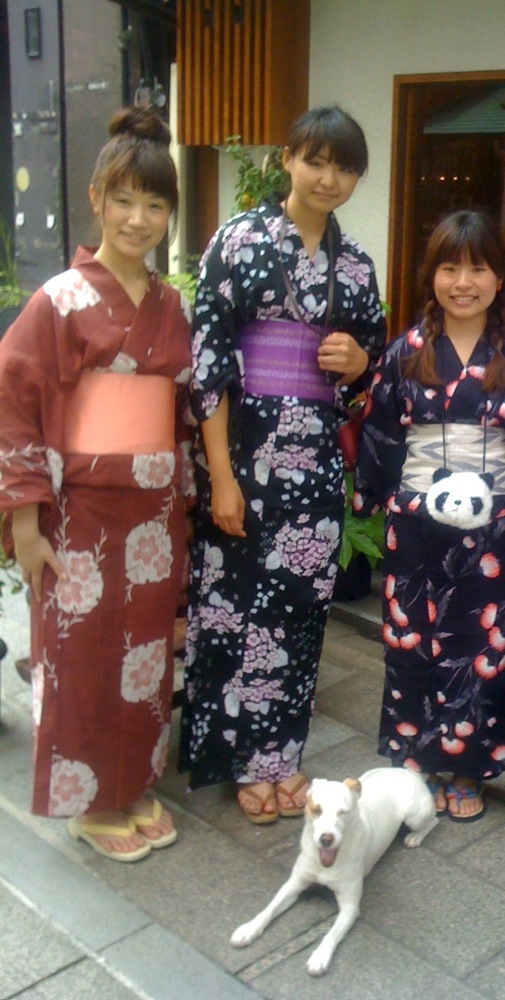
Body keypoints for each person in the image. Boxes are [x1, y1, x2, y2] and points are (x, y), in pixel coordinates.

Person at [180, 105, 386, 823]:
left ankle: (281, 755)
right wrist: (221, 478)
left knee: (299, 614)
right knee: (233, 609)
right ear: (289, 159)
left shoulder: (355, 264)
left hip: (315, 464)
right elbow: (208, 364)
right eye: (315, 161)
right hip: (244, 452)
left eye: (344, 168)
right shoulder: (238, 241)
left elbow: (368, 373)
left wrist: (357, 364)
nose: (328, 178)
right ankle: (239, 757)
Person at [0, 108, 192, 861]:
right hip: (80, 509)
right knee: (82, 655)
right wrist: (24, 523)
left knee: (144, 654)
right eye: (124, 200)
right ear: (96, 198)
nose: (138, 219)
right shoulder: (60, 299)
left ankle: (133, 783)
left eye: (155, 204)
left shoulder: (171, 305)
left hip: (154, 509)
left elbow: (181, 410)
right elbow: (14, 404)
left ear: (170, 212)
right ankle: (91, 801)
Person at [354, 211, 505, 821]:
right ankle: (418, 756)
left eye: (478, 268)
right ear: (431, 275)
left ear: (499, 278)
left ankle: (468, 765)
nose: (463, 282)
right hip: (415, 517)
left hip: (492, 524)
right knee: (411, 637)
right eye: (450, 268)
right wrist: (376, 501)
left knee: (480, 641)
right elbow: (381, 433)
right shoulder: (404, 352)